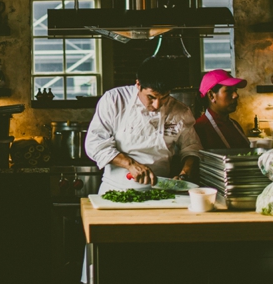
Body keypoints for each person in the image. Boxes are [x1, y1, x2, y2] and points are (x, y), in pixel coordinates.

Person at [84, 56, 202, 193]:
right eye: (151, 97)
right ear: (138, 85)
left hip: (161, 191)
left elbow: (191, 147)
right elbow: (95, 143)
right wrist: (130, 164)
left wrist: (184, 174)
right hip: (116, 189)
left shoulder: (180, 111)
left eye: (164, 98)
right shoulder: (115, 100)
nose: (157, 105)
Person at [194, 69, 251, 149]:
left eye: (235, 90)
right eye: (228, 91)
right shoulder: (200, 128)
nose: (236, 95)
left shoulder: (235, 125)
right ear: (211, 95)